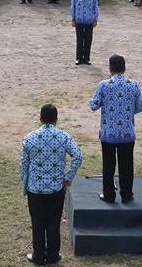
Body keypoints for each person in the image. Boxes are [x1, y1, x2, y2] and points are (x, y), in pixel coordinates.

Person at [19, 104, 83, 267]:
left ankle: (38, 255)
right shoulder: (63, 137)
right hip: (56, 189)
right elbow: (78, 155)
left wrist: (25, 184)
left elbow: (23, 166)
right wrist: (68, 177)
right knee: (54, 223)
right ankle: (53, 255)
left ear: (40, 119)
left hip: (35, 189)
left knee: (38, 223)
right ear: (56, 119)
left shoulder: (29, 138)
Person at [89, 55, 142, 204]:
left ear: (110, 68)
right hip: (127, 133)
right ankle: (126, 195)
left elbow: (93, 106)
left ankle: (109, 195)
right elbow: (139, 107)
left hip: (108, 134)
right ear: (124, 68)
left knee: (108, 165)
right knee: (127, 165)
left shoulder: (104, 85)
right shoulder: (134, 85)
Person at [70, 0, 99, 66]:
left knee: (88, 40)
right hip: (79, 20)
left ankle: (86, 58)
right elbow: (73, 6)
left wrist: (95, 19)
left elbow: (95, 6)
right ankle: (78, 58)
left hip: (89, 20)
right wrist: (73, 19)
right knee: (79, 39)